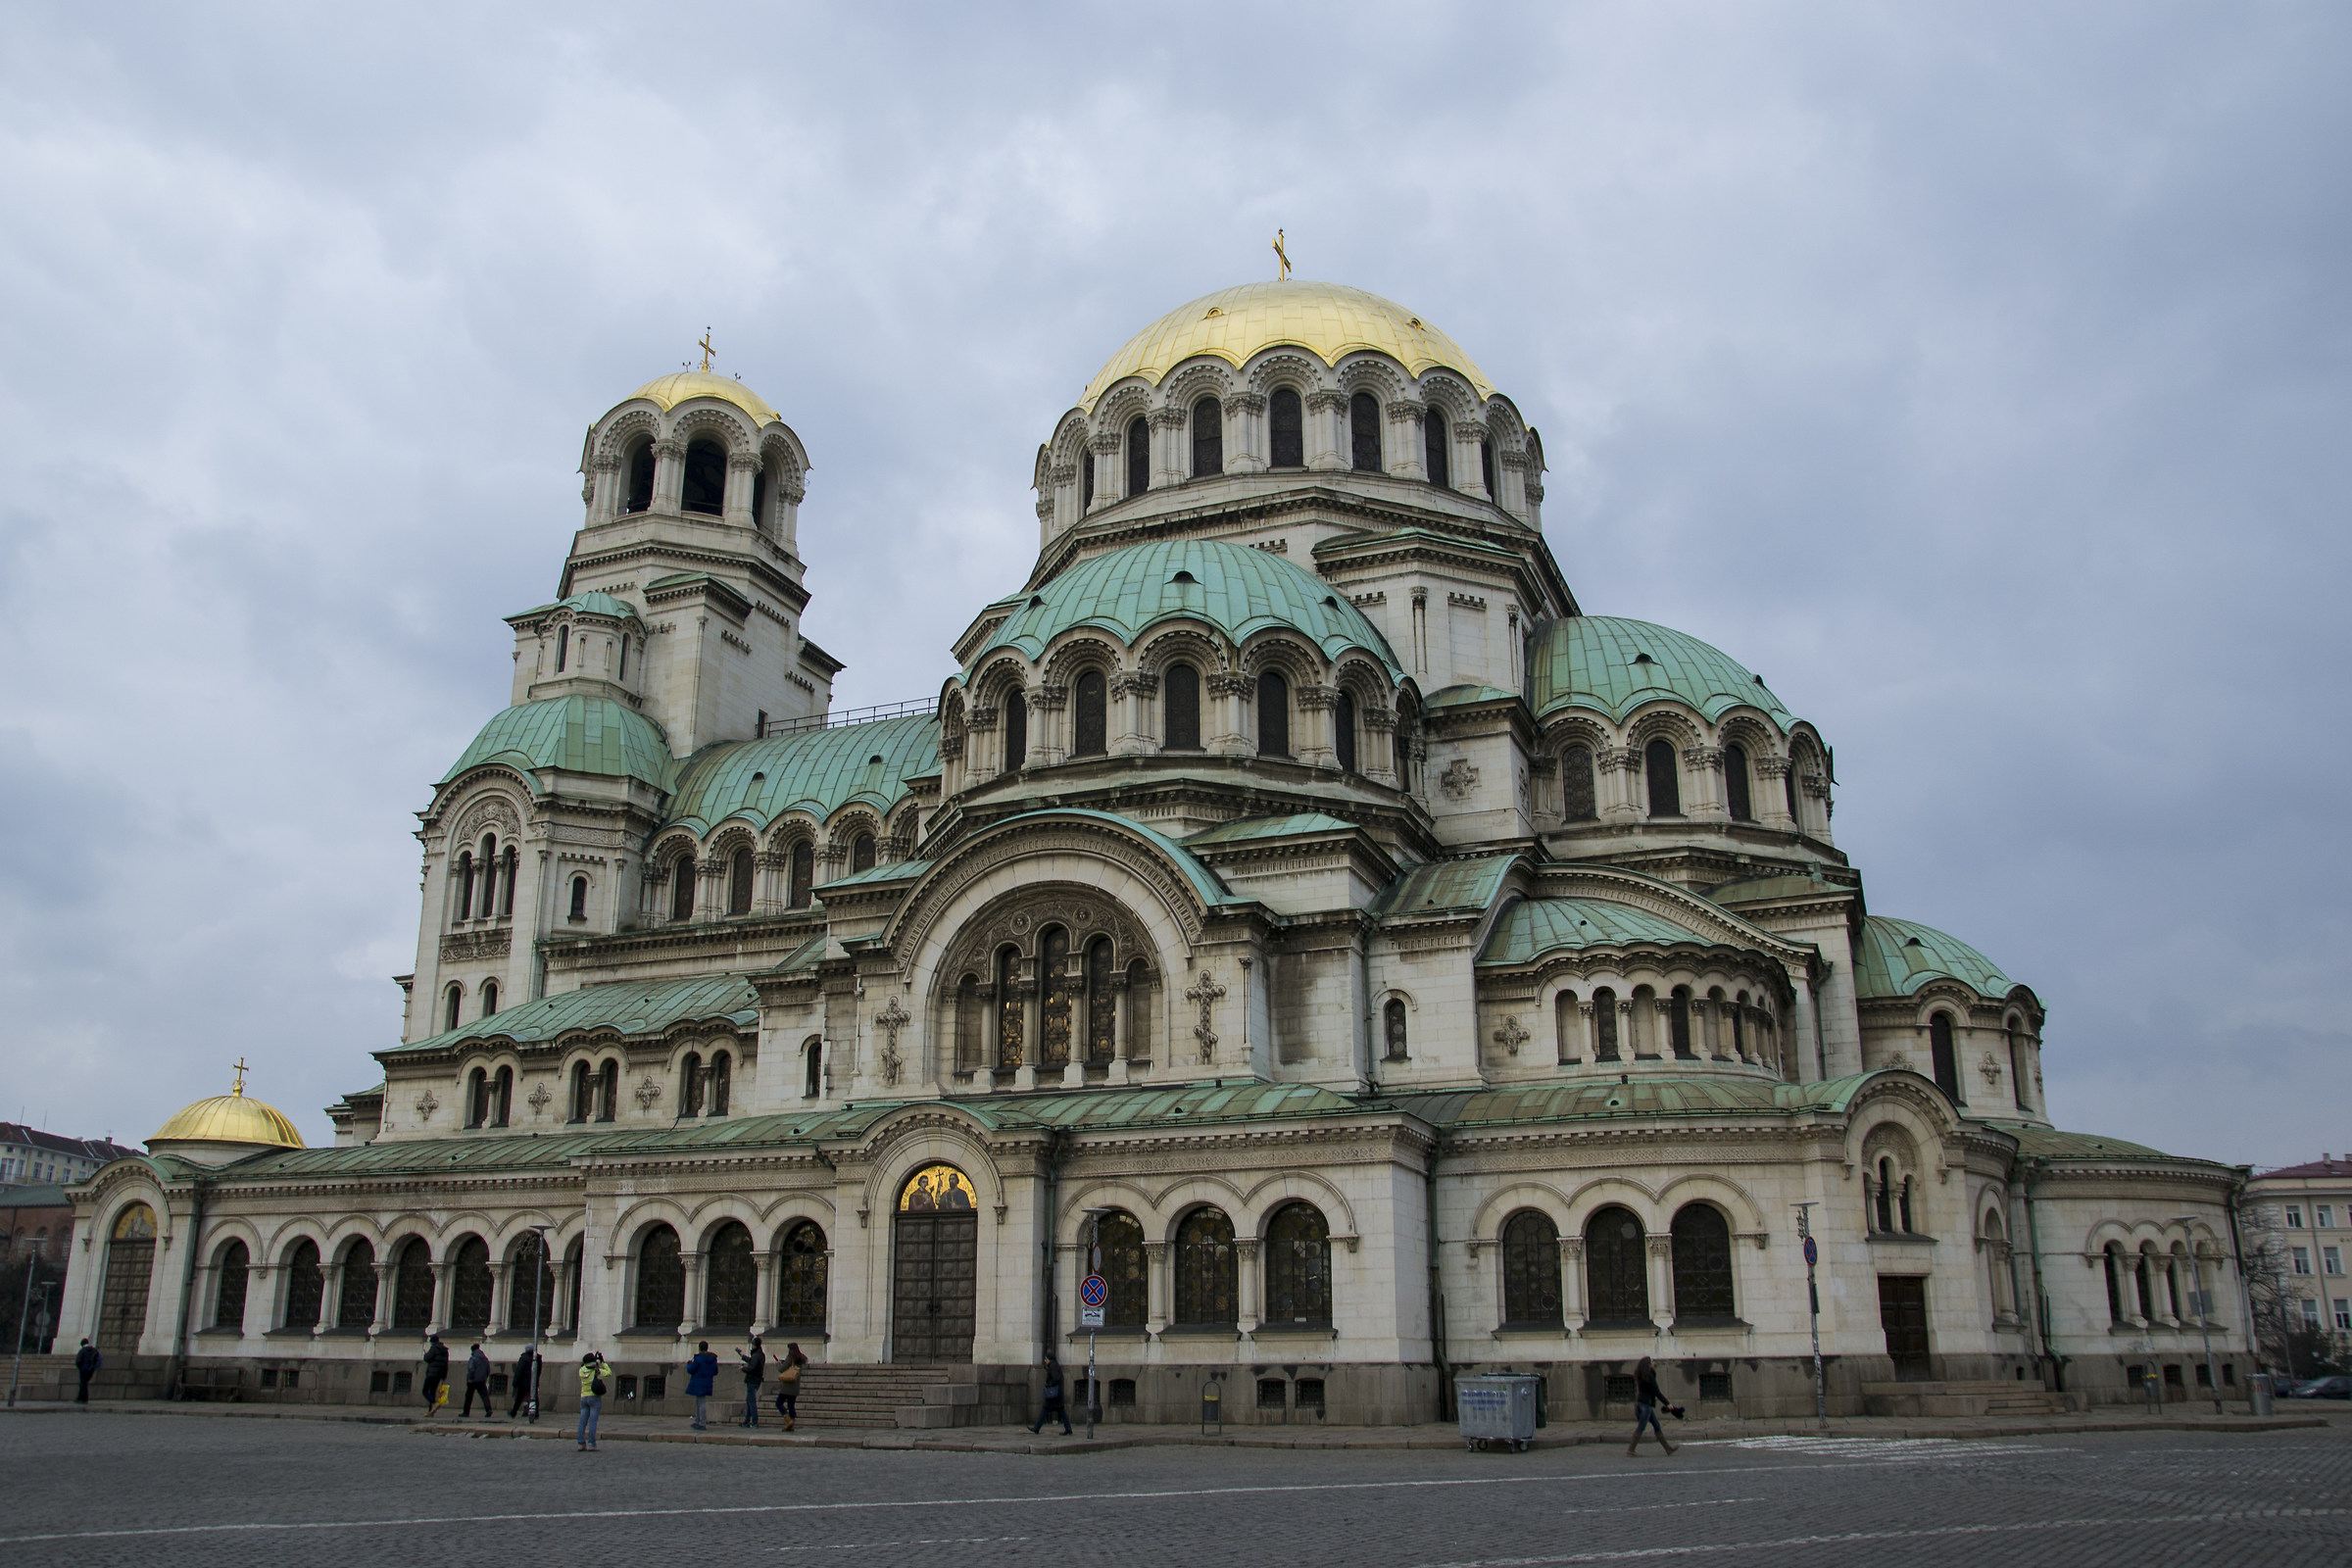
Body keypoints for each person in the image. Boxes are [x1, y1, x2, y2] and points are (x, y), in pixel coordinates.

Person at [1627, 1355, 1675, 1456]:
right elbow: (1657, 1392)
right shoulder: (1649, 1376)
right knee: (1641, 1427)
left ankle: (1668, 1449)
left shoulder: (1641, 1375)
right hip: (1646, 1406)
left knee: (1657, 1426)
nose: (1654, 1363)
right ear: (1648, 1365)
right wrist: (1667, 1403)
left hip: (1641, 1404)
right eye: (1652, 1361)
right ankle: (1631, 1450)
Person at [1028, 1351, 1071, 1436]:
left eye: (1046, 1359)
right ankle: (1068, 1428)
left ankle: (1036, 1428)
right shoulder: (1054, 1365)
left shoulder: (1053, 1366)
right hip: (1057, 1394)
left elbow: (1056, 1378)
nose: (1045, 1361)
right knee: (1060, 1411)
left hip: (1054, 1394)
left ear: (1049, 1359)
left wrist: (1049, 1384)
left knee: (1045, 1410)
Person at [772, 1342, 808, 1431]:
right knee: (791, 1405)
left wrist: (778, 1363)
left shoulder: (790, 1357)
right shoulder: (800, 1358)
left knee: (779, 1403)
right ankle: (791, 1423)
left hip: (787, 1386)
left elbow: (781, 1369)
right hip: (795, 1386)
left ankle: (788, 1421)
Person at [686, 1341, 718, 1431]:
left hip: (698, 1381)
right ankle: (698, 1421)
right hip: (707, 1381)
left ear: (699, 1348)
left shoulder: (699, 1359)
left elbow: (691, 1369)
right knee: (700, 1402)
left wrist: (688, 1364)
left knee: (700, 1403)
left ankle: (701, 1422)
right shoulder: (712, 1359)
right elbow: (715, 1371)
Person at [577, 1351, 607, 1450]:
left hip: (583, 1397)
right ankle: (591, 1444)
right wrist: (602, 1363)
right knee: (593, 1421)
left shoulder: (581, 1371)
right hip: (594, 1397)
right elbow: (609, 1372)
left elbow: (583, 1366)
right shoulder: (596, 1372)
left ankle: (581, 1443)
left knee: (582, 1421)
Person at [738, 1335, 766, 1428]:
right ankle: (747, 1421)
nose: (752, 1346)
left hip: (752, 1379)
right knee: (749, 1400)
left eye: (753, 1344)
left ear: (755, 1345)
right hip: (757, 1379)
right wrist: (742, 1355)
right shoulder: (760, 1354)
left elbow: (752, 1367)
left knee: (751, 1401)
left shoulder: (756, 1355)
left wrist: (743, 1368)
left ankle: (754, 1421)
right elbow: (752, 1361)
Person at [509, 1344, 541, 1419]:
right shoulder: (537, 1358)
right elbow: (538, 1371)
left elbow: (519, 1370)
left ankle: (513, 1412)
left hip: (523, 1382)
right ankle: (536, 1413)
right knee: (534, 1397)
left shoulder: (524, 1358)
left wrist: (515, 1382)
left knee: (519, 1398)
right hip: (533, 1381)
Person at [420, 1335, 451, 1413]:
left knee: (425, 1391)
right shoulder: (445, 1350)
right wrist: (444, 1376)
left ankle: (434, 1403)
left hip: (431, 1373)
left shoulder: (434, 1348)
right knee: (432, 1391)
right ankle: (431, 1410)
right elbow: (445, 1364)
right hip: (439, 1374)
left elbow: (427, 1358)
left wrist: (425, 1354)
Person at [462, 1344, 493, 1417]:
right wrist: (485, 1377)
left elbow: (471, 1369)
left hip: (473, 1380)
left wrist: (470, 1378)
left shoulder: (473, 1358)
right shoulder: (485, 1359)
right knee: (484, 1396)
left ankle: (466, 1412)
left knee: (469, 1397)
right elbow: (488, 1370)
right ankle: (488, 1409)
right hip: (482, 1380)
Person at [74, 1339, 100, 1404]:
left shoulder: (82, 1351)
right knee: (84, 1383)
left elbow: (78, 1361)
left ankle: (84, 1398)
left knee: (83, 1384)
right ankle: (80, 1397)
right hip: (91, 1369)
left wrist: (79, 1366)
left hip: (83, 1369)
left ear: (82, 1344)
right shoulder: (94, 1350)